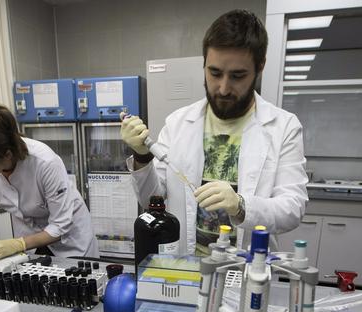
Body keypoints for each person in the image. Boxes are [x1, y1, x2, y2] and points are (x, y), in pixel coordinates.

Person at [121, 9, 308, 255]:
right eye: (215, 73)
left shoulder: (283, 127)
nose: (223, 88)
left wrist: (241, 206)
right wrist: (143, 156)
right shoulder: (178, 122)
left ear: (259, 67)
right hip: (187, 267)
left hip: (246, 270)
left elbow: (292, 209)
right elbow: (151, 200)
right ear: (204, 64)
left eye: (237, 76)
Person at [0, 104, 99, 259]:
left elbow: (60, 226)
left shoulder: (44, 162)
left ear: (6, 155)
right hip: (30, 243)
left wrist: (18, 244)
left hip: (70, 242)